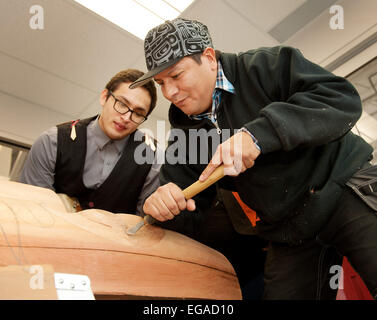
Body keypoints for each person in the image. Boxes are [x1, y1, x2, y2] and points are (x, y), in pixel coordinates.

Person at [130, 18, 377, 299]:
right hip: (289, 229)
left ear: (209, 58)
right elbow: (189, 214)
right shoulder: (185, 136)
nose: (169, 92)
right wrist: (164, 206)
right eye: (161, 83)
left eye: (176, 76)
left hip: (342, 188)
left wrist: (257, 135)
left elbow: (341, 99)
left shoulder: (265, 67)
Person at [20, 69, 161, 215]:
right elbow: (33, 212)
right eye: (122, 104)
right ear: (104, 97)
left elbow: (144, 229)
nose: (126, 117)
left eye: (138, 113)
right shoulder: (52, 142)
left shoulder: (153, 160)